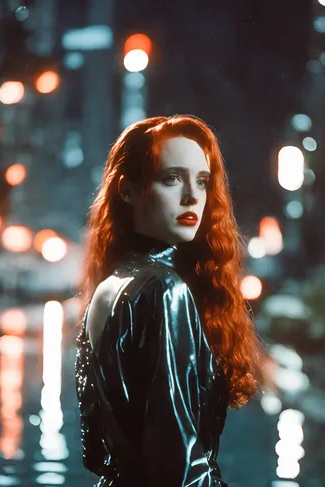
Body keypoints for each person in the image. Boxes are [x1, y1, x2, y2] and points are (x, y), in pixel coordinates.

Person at [75, 115, 264, 486]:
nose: (193, 196)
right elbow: (180, 469)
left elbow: (98, 452)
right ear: (126, 190)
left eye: (203, 181)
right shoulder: (165, 291)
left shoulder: (109, 286)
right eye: (171, 178)